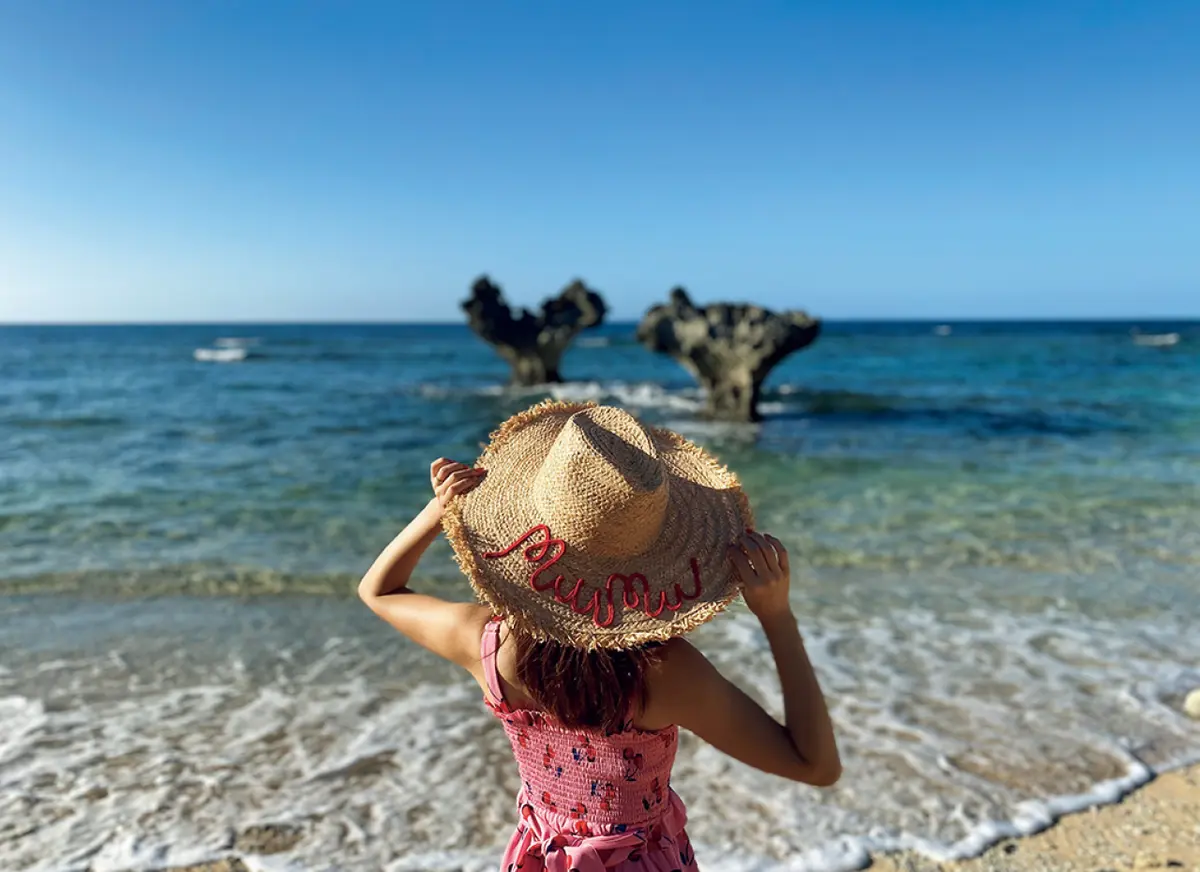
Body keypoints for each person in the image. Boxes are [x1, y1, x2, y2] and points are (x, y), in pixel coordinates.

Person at [359, 401, 840, 871]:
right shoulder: (665, 674)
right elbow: (815, 766)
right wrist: (776, 616)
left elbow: (379, 592)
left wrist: (436, 512)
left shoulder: (485, 643)